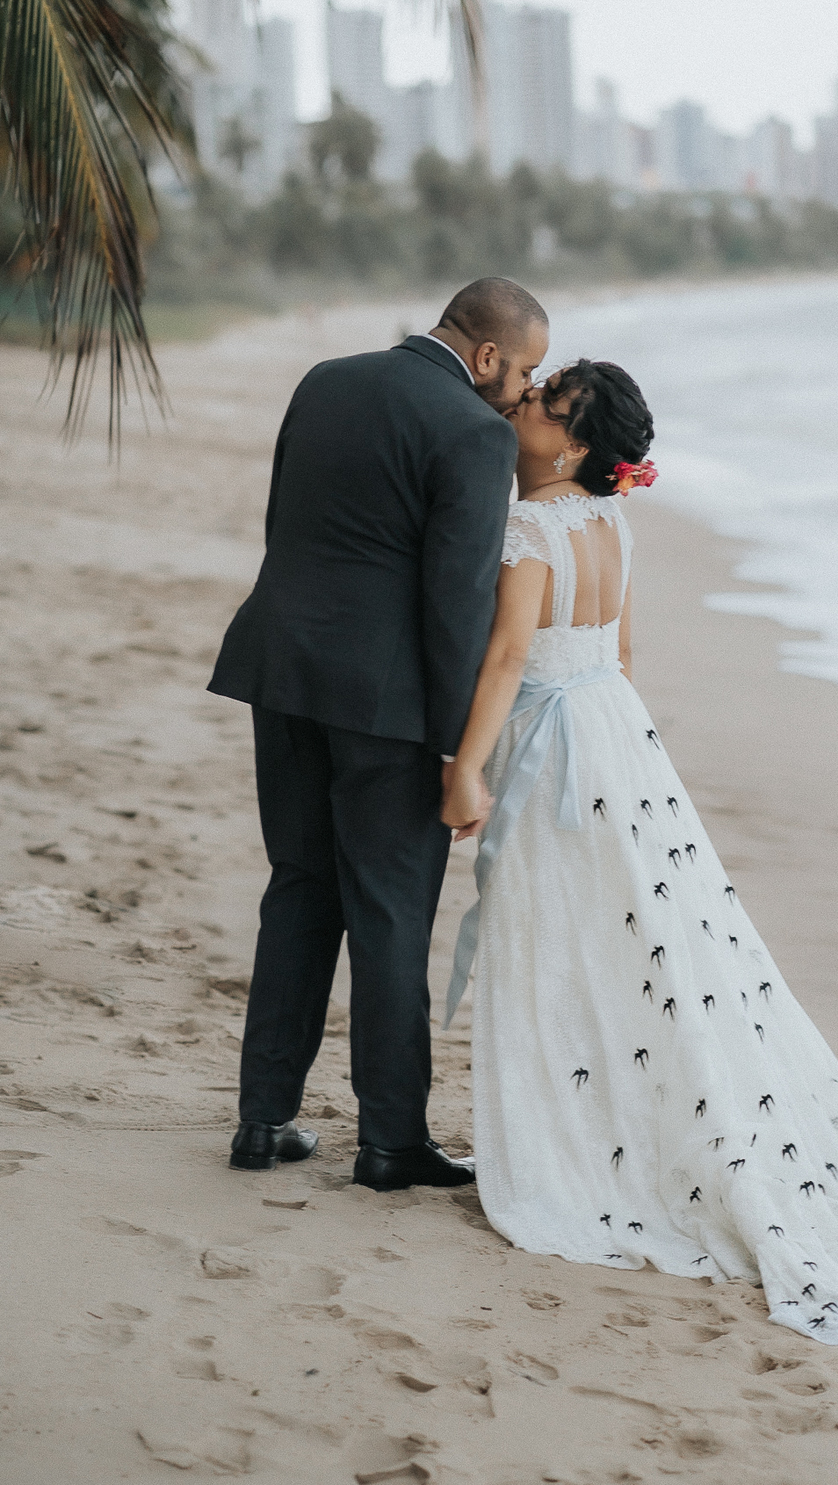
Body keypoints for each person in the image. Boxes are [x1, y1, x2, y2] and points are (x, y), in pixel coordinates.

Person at [439, 359, 838, 1346]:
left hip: (557, 747)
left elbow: (508, 656)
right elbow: (619, 659)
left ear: (572, 441)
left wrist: (468, 766)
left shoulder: (530, 527)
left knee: (566, 940)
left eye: (544, 401)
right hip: (619, 739)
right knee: (651, 946)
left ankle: (573, 1152)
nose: (525, 404)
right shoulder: (614, 526)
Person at [208, 278, 548, 1189]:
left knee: (300, 887)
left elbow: (286, 523)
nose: (523, 394)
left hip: (283, 669)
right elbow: (458, 602)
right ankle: (391, 1141)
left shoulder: (327, 378)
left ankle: (261, 1119)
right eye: (523, 371)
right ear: (486, 356)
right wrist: (456, 751)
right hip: (388, 707)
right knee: (391, 920)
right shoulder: (476, 434)